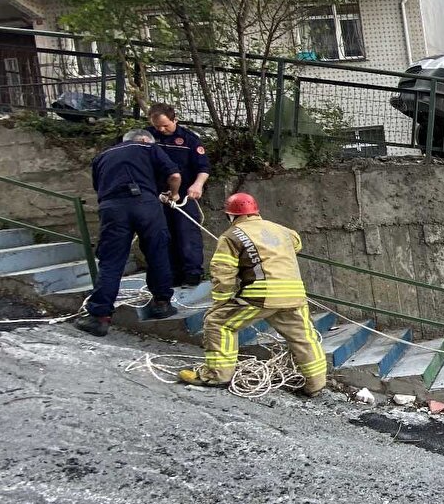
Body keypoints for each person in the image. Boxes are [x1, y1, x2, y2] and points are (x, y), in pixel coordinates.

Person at [178, 193, 326, 395]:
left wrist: (221, 302)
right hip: (295, 295)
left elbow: (223, 272)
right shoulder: (283, 231)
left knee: (218, 323)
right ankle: (316, 385)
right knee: (304, 338)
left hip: (261, 295)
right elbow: (297, 243)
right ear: (256, 211)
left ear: (231, 215)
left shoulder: (231, 235)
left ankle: (217, 376)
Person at [75, 129, 181, 337]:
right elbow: (174, 175)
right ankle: (161, 304)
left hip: (112, 207)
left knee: (111, 261)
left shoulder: (102, 156)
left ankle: (99, 317)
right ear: (143, 139)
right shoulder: (148, 147)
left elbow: (100, 187)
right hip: (146, 205)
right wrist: (174, 194)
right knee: (157, 253)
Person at [147, 103, 211, 287]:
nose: (161, 129)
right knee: (162, 235)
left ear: (175, 120)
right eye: (157, 126)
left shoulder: (189, 140)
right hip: (157, 195)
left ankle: (192, 274)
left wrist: (197, 185)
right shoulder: (148, 137)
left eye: (165, 125)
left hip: (183, 195)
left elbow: (203, 167)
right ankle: (171, 274)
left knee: (187, 233)